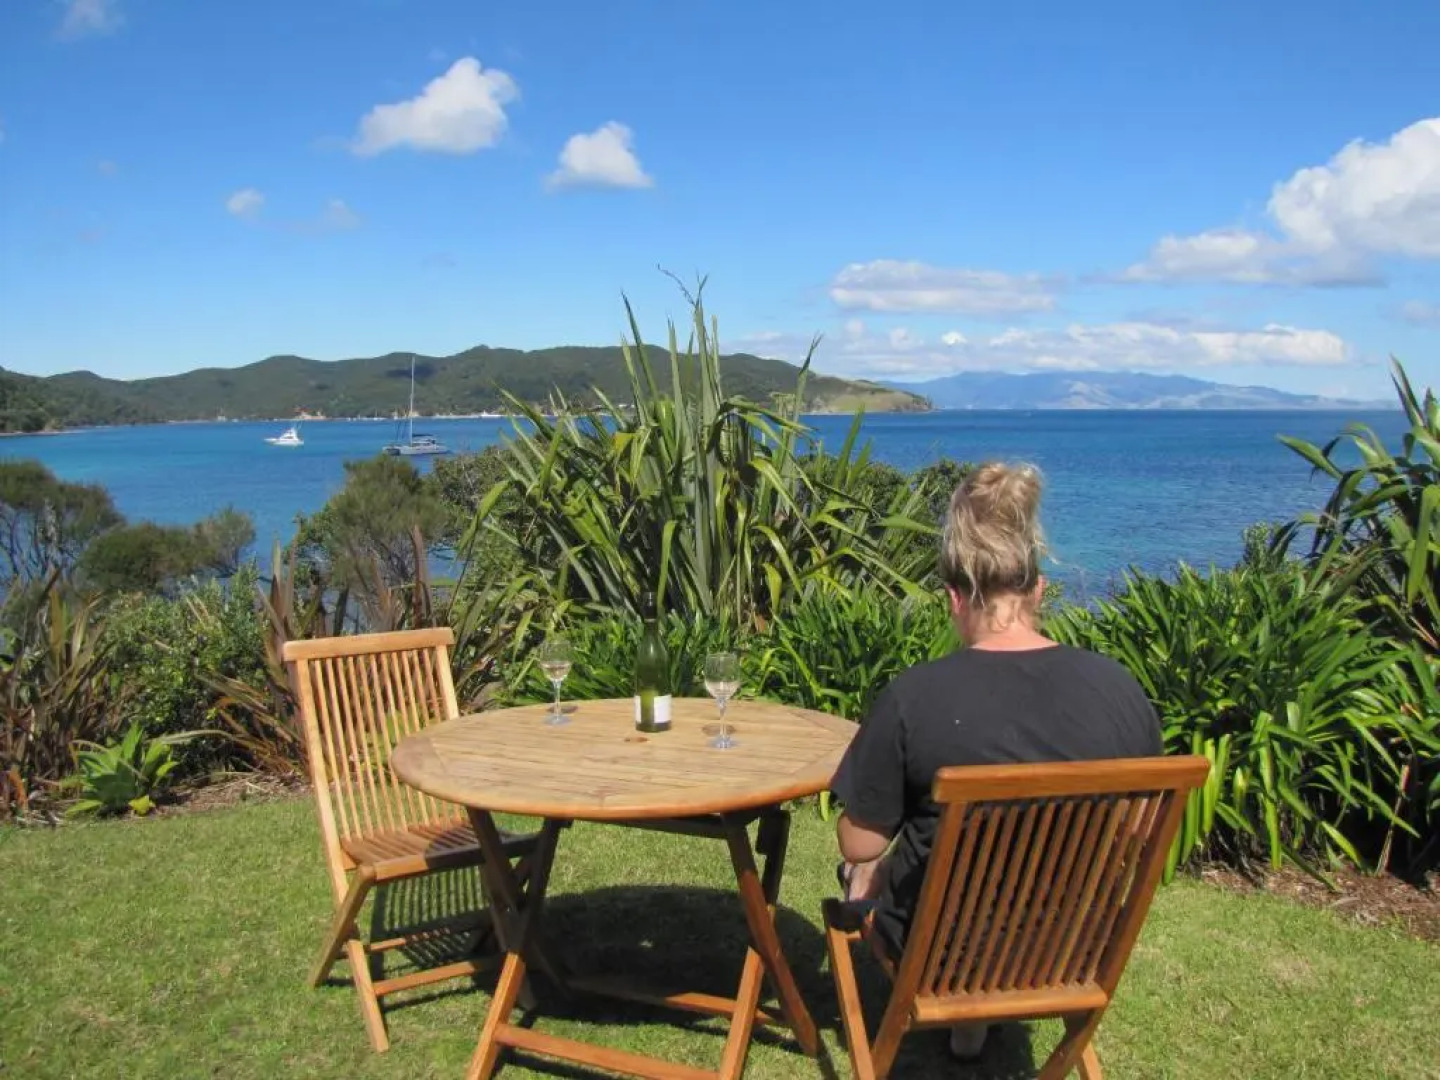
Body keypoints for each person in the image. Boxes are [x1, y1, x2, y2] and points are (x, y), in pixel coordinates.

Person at [830, 461, 1162, 1061]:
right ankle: (973, 1031)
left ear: (954, 597)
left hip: (942, 954)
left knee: (861, 871)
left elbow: (858, 842)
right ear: (1037, 590)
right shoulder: (1120, 690)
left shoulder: (917, 696)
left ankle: (959, 1016)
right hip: (1065, 951)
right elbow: (1138, 828)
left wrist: (867, 866)